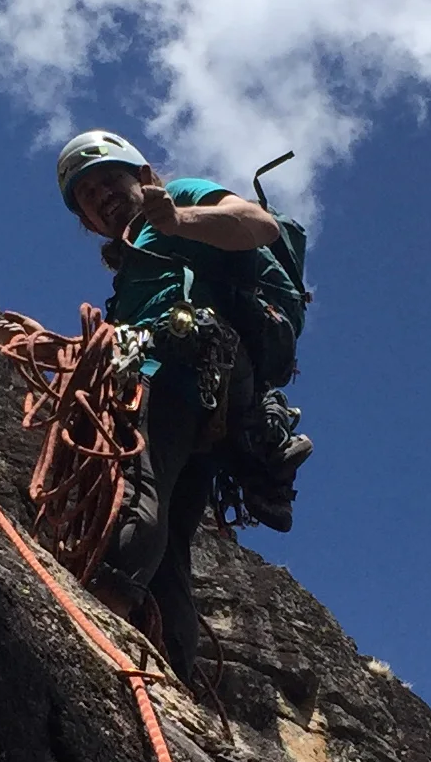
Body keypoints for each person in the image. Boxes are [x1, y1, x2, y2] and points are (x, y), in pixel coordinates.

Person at [54, 130, 313, 680]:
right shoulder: (131, 272)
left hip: (187, 363)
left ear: (144, 176)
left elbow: (258, 227)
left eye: (109, 180)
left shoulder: (179, 203)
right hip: (193, 384)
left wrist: (175, 220)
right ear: (87, 222)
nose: (101, 196)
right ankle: (172, 667)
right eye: (88, 195)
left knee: (135, 489)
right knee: (169, 540)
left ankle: (98, 618)